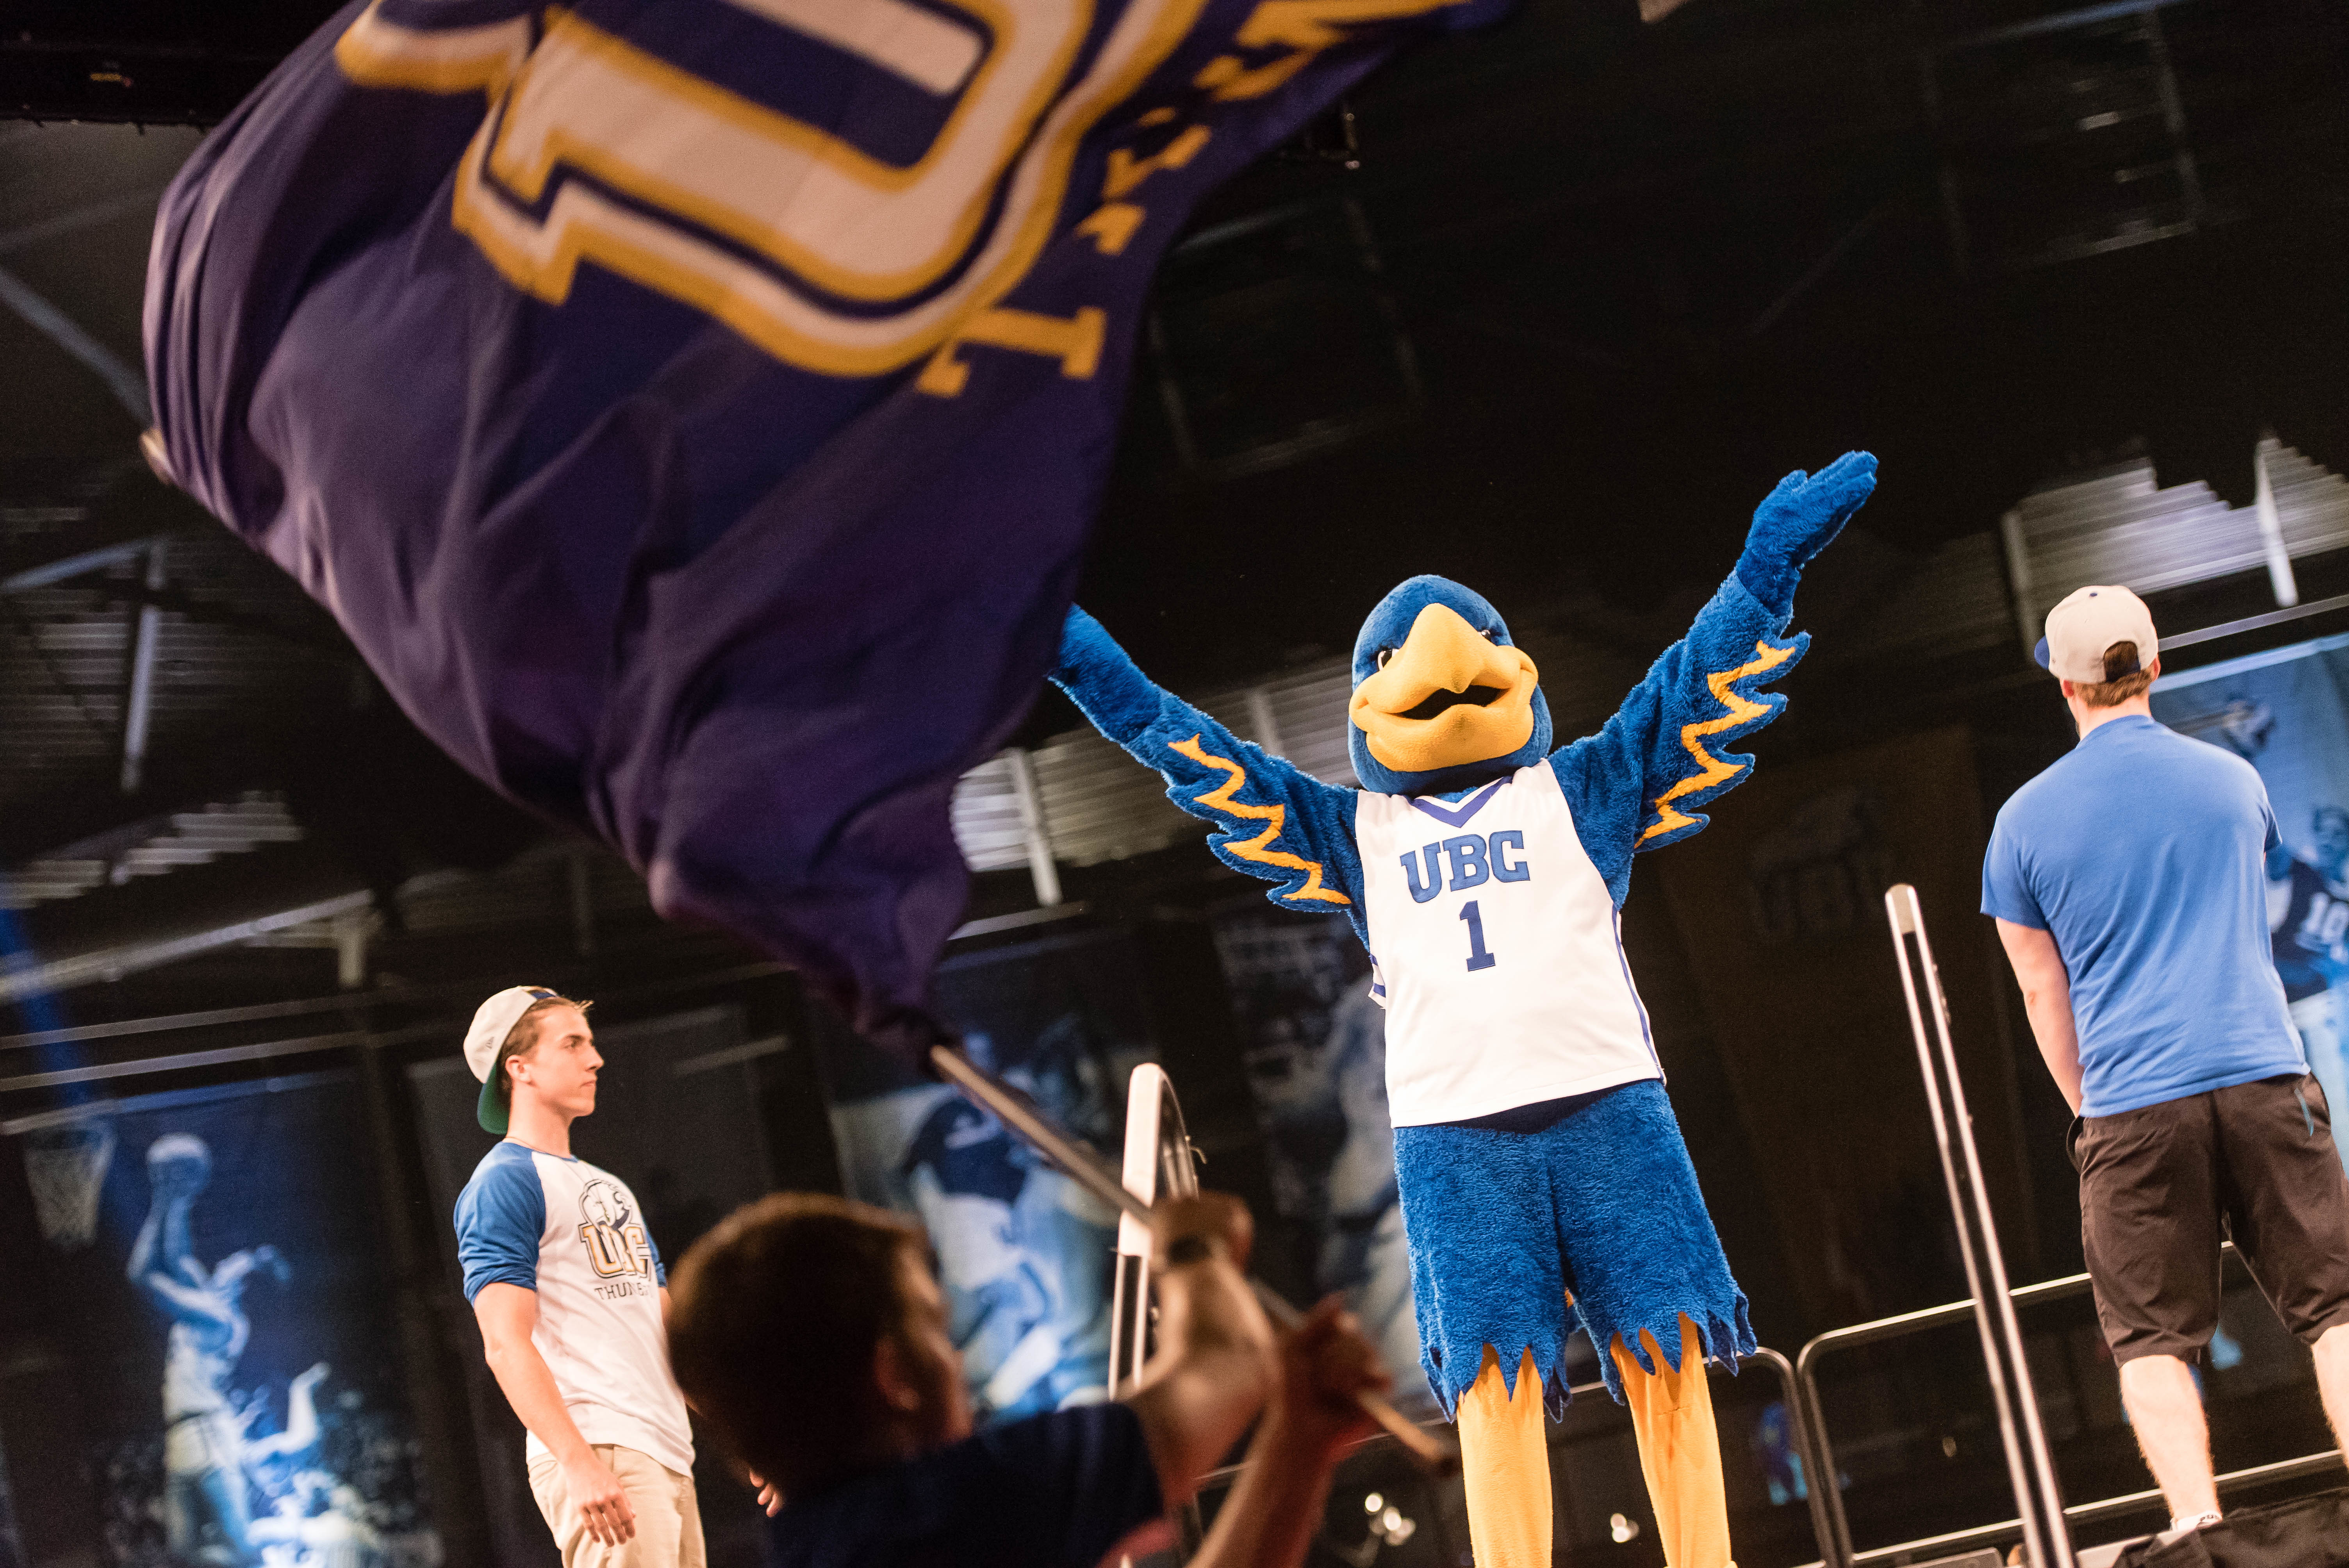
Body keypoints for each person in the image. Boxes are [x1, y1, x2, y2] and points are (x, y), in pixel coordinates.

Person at [1983, 584, 2349, 1538]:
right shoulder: (2234, 781)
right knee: (2337, 1308)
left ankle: (2196, 1529)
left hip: (2133, 1105)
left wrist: (2092, 1106)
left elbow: (2038, 989)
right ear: (2156, 665)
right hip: (2266, 1075)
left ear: (2061, 684)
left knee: (2150, 1338)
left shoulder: (2020, 823)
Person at [665, 1187, 1390, 1568]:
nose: (954, 1358)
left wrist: (1297, 1448)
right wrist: (1194, 1249)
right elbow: (1226, 1365)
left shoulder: (818, 1552)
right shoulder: (956, 1511)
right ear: (894, 1375)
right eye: (935, 1326)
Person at [452, 986, 701, 1568]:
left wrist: (749, 1438)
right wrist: (578, 1459)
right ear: (520, 1068)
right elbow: (503, 1342)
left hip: (664, 1449)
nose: (596, 1059)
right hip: (601, 1447)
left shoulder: (608, 1186)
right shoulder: (503, 1182)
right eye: (572, 1043)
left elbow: (668, 1332)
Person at [129, 1133, 314, 1568]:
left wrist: (162, 1196)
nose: (225, 1263)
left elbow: (143, 1275)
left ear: (238, 1287)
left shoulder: (216, 1316)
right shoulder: (213, 1307)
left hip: (207, 1432)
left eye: (234, 1265)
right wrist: (180, 1200)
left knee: (239, 1543)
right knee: (184, 1550)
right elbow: (177, 1256)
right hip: (185, 1433)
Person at [2270, 805, 2349, 1172]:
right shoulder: (2302, 872)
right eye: (2324, 831)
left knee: (2328, 1097)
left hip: (2319, 1010)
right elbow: (2272, 855)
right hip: (2278, 1005)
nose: (2330, 838)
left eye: (2339, 831)